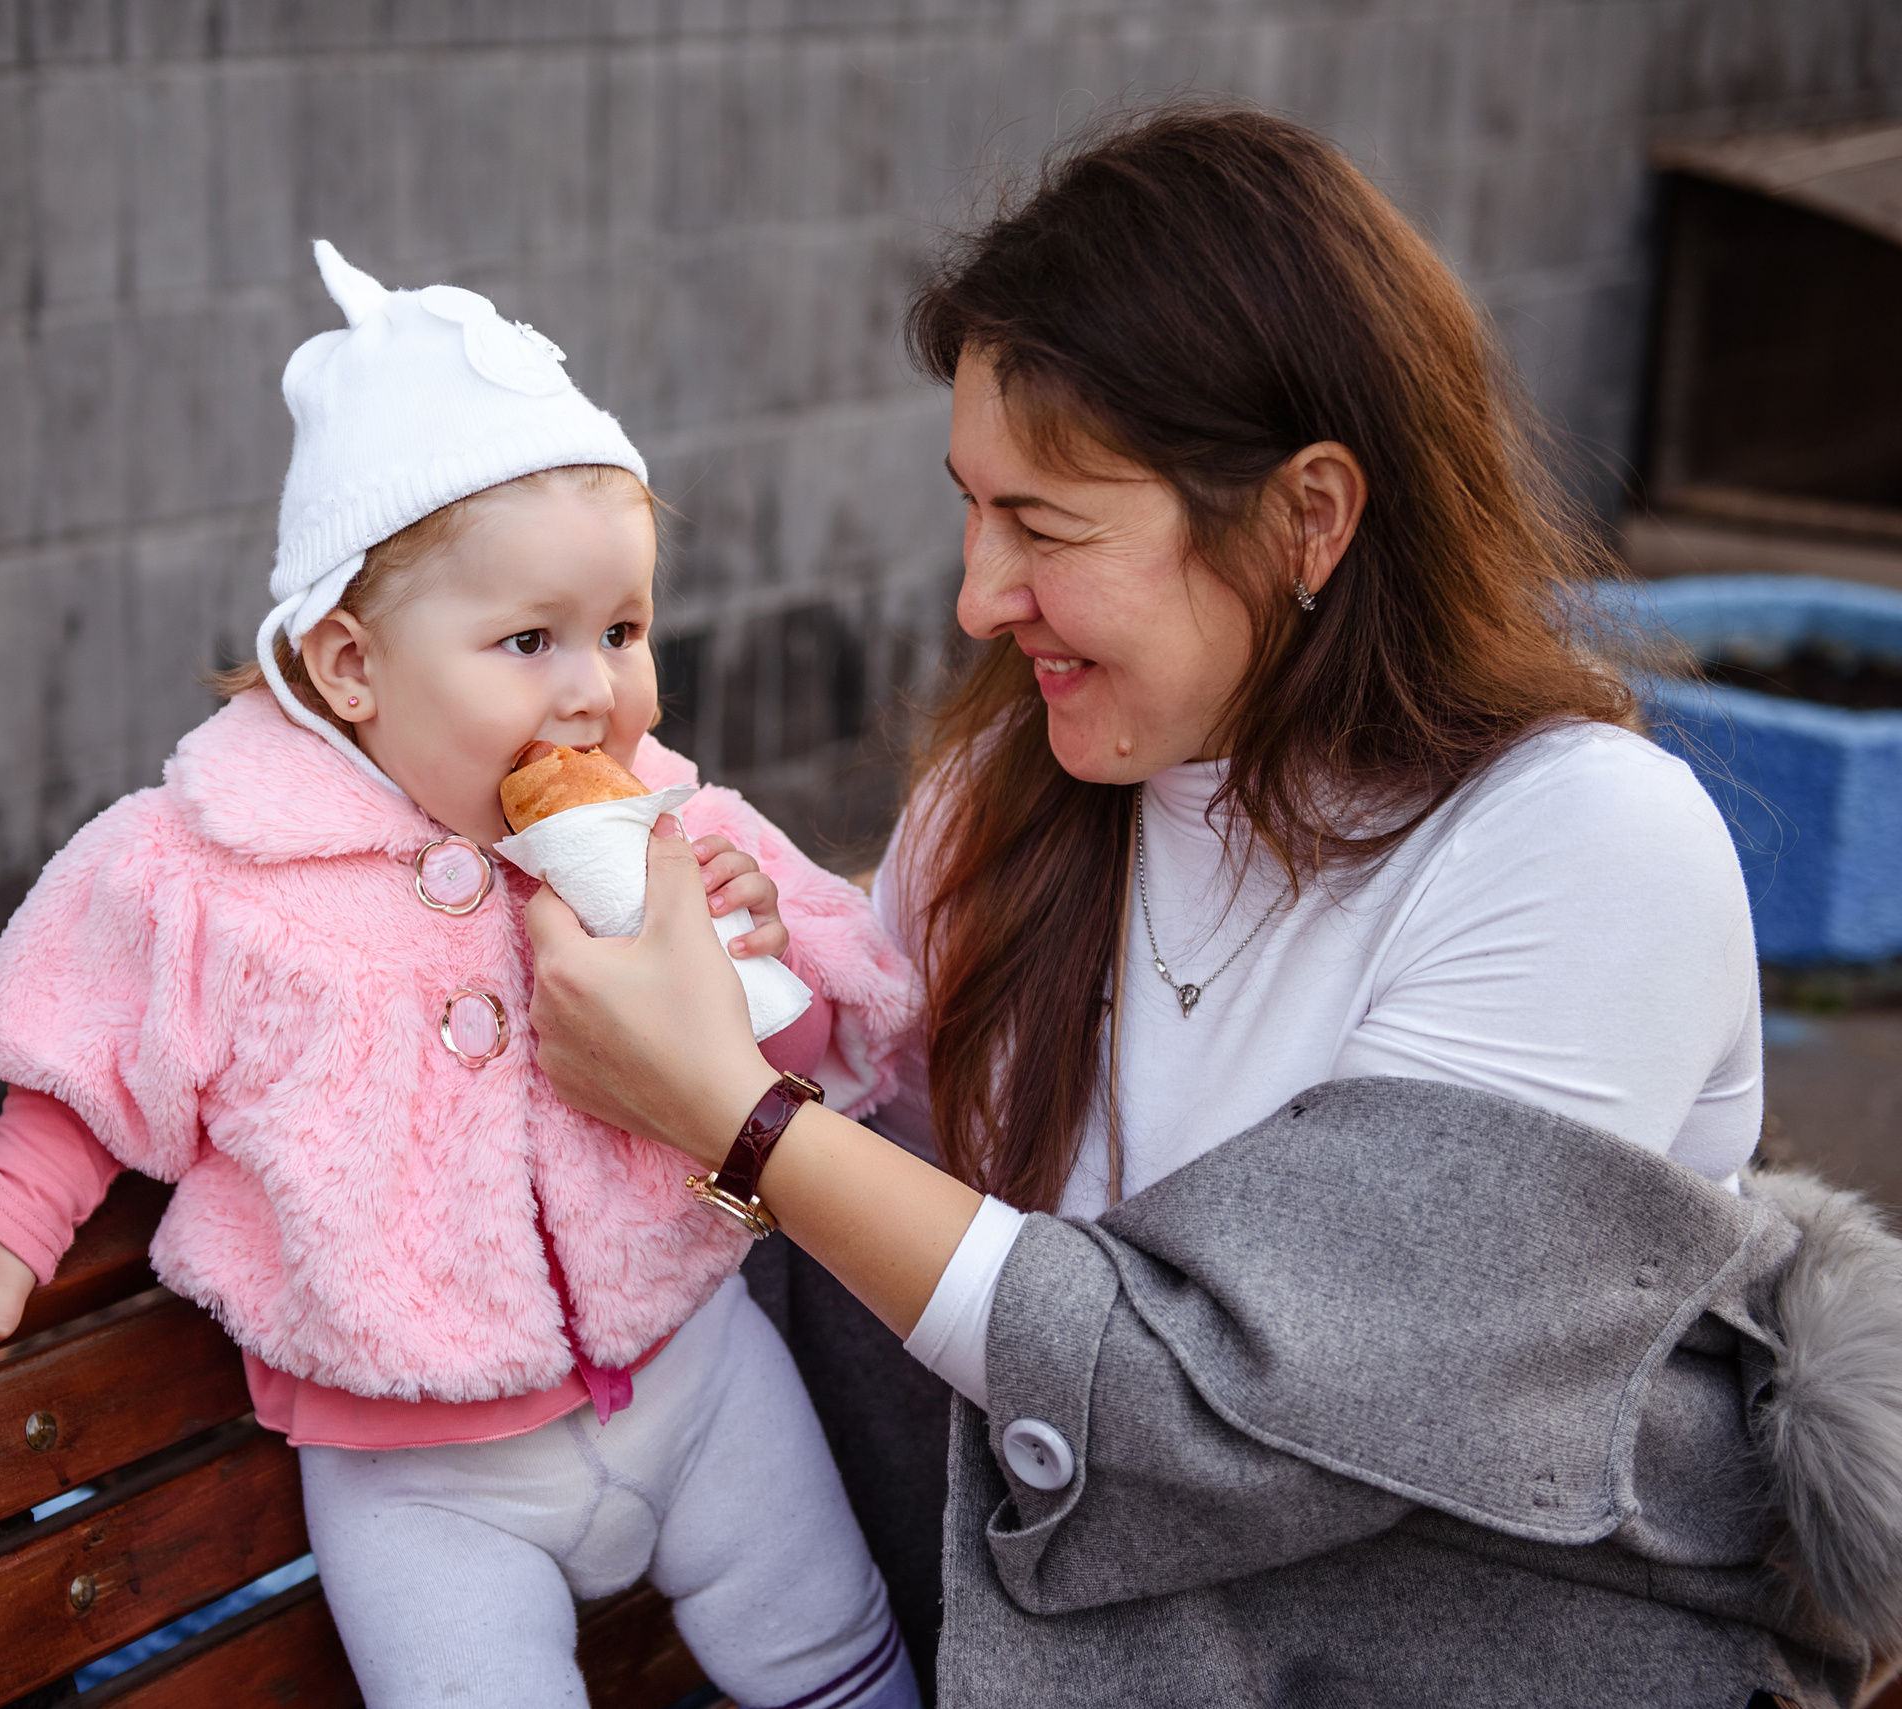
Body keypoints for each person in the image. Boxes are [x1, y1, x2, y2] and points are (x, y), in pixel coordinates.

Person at [523, 106, 1902, 1707]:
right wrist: (741, 975)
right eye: (972, 507)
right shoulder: (1014, 792)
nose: (979, 595)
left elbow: (1219, 1413)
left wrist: (735, 1113)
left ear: (1311, 515)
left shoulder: (1586, 848)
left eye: (1044, 523)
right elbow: (868, 1211)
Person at [0, 244, 926, 1709]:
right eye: (528, 639)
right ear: (351, 664)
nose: (593, 686)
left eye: (622, 628)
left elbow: (855, 998)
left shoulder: (663, 814)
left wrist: (761, 933)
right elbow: (104, 1043)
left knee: (833, 1653)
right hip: (419, 1470)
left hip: (697, 1367)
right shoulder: (220, 867)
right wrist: (11, 1211)